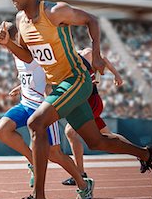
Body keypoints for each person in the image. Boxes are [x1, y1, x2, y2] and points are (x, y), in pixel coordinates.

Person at [0, 0, 152, 199]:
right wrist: (8, 44)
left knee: (36, 123)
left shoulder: (54, 11)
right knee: (96, 141)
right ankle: (146, 154)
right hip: (61, 85)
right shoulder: (20, 19)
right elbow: (29, 57)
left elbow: (92, 20)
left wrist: (95, 54)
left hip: (76, 79)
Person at [0, 22, 94, 199]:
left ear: (16, 38)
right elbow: (32, 76)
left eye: (6, 37)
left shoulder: (31, 52)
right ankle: (33, 161)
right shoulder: (16, 56)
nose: (3, 43)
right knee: (1, 130)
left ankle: (83, 184)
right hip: (25, 104)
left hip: (42, 110)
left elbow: (45, 69)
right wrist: (20, 87)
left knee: (54, 154)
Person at [61, 47, 145, 185]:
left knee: (70, 132)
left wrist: (116, 75)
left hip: (90, 101)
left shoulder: (85, 53)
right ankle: (141, 153)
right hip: (82, 103)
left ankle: (80, 173)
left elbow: (103, 58)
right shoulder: (65, 60)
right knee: (108, 134)